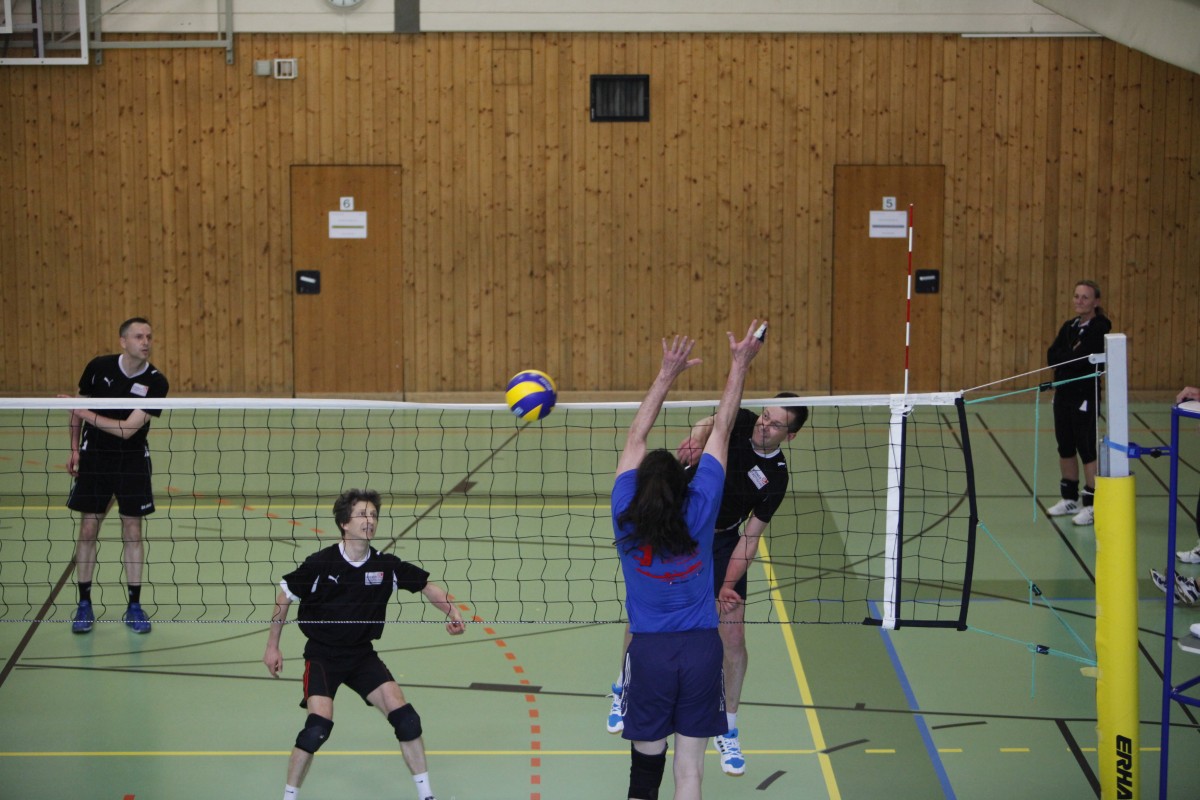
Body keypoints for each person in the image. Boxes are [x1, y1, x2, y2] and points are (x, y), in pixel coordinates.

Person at [605, 392, 807, 779]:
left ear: (791, 435)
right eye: (766, 416)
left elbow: (751, 537)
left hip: (723, 540)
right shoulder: (743, 421)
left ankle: (728, 726)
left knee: (733, 637)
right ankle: (623, 688)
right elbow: (709, 422)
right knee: (645, 612)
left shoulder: (776, 477)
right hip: (679, 524)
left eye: (776, 424)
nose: (764, 425)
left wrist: (727, 584)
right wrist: (698, 437)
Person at [611, 321, 764, 800]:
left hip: (650, 655)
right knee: (691, 774)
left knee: (644, 775)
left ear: (639, 488)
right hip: (701, 652)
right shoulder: (702, 509)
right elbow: (723, 428)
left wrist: (666, 375)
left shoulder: (624, 515)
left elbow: (635, 439)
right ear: (685, 486)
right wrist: (739, 364)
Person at [263, 488, 465, 800]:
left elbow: (427, 586)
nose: (369, 520)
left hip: (361, 656)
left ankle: (427, 795)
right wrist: (272, 646)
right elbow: (284, 596)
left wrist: (452, 612)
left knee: (408, 721)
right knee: (317, 728)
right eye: (361, 515)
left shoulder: (385, 566)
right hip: (323, 656)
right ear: (344, 523)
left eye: (373, 515)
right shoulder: (321, 564)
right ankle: (288, 797)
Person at [66, 317, 170, 634]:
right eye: (138, 336)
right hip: (95, 458)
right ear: (123, 341)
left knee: (133, 530)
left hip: (132, 460)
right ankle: (84, 603)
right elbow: (77, 410)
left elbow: (126, 430)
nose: (146, 341)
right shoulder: (98, 367)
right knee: (88, 528)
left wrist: (84, 413)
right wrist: (74, 448)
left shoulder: (156, 382)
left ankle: (134, 606)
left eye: (149, 336)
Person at [1045, 280, 1111, 526]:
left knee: (1086, 448)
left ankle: (1092, 504)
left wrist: (1069, 358)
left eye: (1085, 297)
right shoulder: (1069, 326)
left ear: (1096, 301)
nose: (1079, 301)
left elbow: (1080, 359)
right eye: (1076, 296)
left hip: (1084, 395)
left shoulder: (1100, 327)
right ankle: (1069, 498)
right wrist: (1068, 357)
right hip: (1063, 394)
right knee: (1065, 445)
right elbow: (1053, 355)